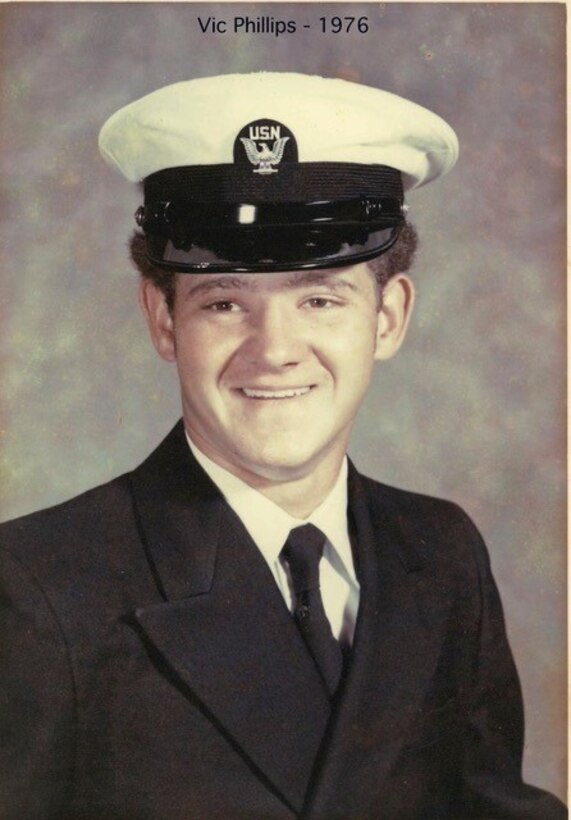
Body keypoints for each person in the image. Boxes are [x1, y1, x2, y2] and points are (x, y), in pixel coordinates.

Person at [0, 73, 565, 820]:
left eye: (320, 299)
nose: (275, 351)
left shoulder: (437, 554)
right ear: (164, 320)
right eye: (225, 301)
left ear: (388, 317)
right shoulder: (37, 589)